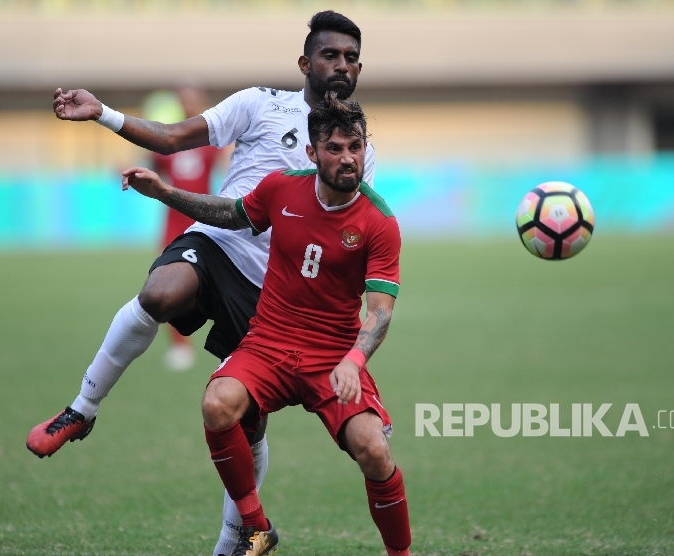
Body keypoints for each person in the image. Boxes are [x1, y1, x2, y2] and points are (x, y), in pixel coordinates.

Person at [25, 11, 375, 556]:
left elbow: (344, 239)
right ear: (306, 63)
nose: (342, 65)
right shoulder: (260, 103)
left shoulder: (356, 150)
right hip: (217, 241)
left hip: (271, 294)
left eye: (352, 58)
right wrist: (105, 115)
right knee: (160, 293)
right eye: (331, 55)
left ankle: (236, 537)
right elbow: (171, 138)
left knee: (245, 423)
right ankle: (81, 410)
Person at [123, 92, 410, 556]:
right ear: (312, 153)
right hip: (270, 341)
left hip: (333, 354)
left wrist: (355, 361)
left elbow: (379, 311)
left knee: (374, 452)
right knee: (217, 405)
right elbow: (231, 215)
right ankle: (256, 528)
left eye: (355, 147)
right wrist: (165, 194)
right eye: (334, 149)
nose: (347, 158)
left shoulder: (380, 222)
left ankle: (402, 554)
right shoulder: (282, 188)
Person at [149, 86, 223, 371]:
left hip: (205, 222)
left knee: (218, 285)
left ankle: (228, 344)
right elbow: (152, 168)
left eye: (193, 99)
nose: (188, 104)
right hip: (173, 223)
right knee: (166, 284)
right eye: (184, 100)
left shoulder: (212, 141)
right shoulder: (167, 142)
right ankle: (180, 347)